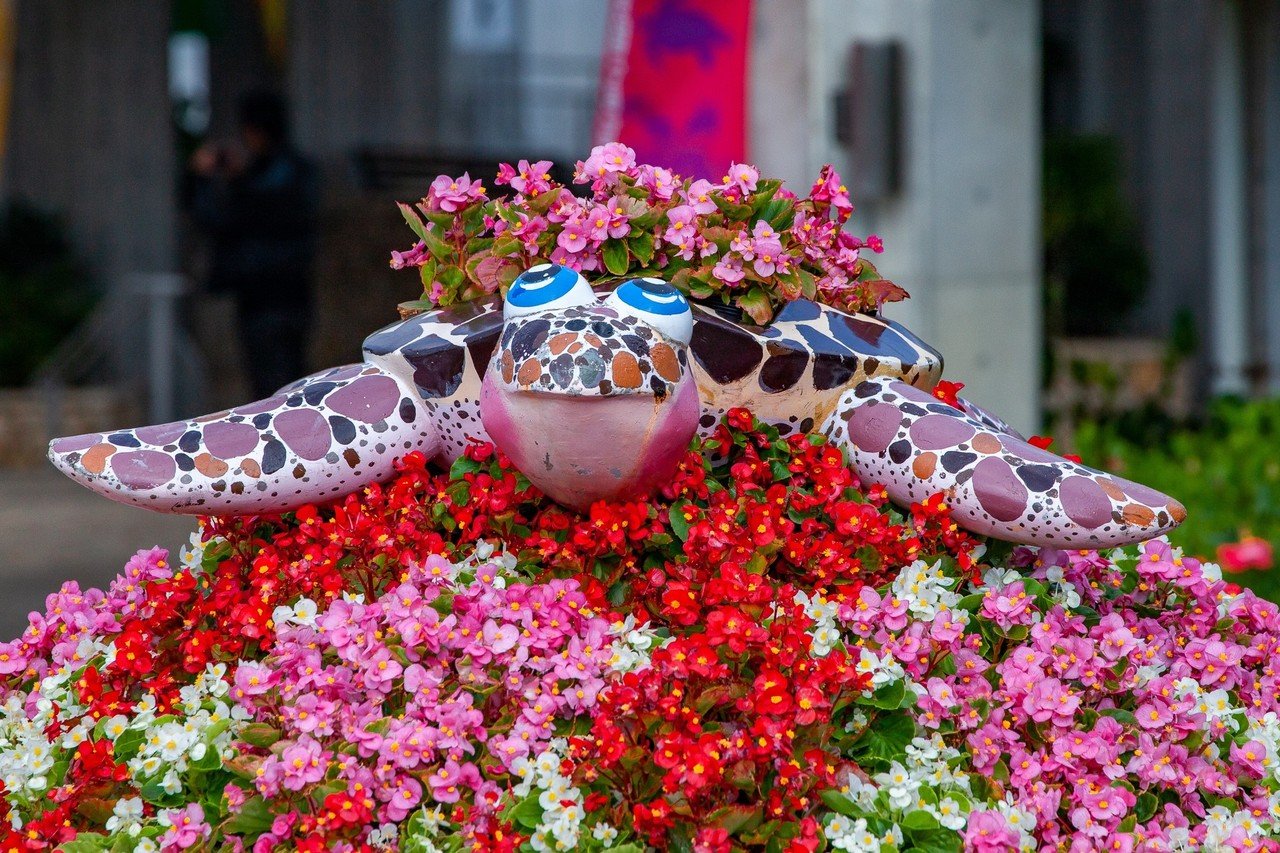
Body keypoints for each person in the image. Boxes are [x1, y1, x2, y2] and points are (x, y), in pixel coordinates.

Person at [189, 90, 318, 399]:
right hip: (294, 295)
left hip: (261, 299)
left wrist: (200, 179)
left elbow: (217, 220)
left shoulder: (260, 182)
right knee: (293, 383)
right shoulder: (300, 173)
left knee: (269, 388)